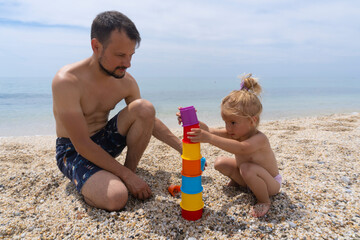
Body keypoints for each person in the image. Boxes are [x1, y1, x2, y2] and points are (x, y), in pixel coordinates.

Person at [52, 11, 182, 211]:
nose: (128, 64)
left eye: (131, 55)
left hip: (104, 141)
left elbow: (148, 119)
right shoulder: (67, 82)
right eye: (120, 55)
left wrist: (185, 150)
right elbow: (82, 145)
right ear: (96, 46)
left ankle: (128, 171)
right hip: (74, 150)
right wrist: (127, 178)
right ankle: (118, 179)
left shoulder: (125, 80)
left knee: (144, 107)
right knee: (116, 198)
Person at [178, 74, 281, 217]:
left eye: (233, 123)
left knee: (246, 168)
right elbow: (209, 131)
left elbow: (241, 148)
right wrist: (191, 120)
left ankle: (263, 201)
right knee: (220, 162)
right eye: (226, 122)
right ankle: (242, 183)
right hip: (248, 176)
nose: (228, 128)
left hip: (270, 184)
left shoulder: (259, 139)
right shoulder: (236, 133)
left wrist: (209, 139)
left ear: (252, 121)